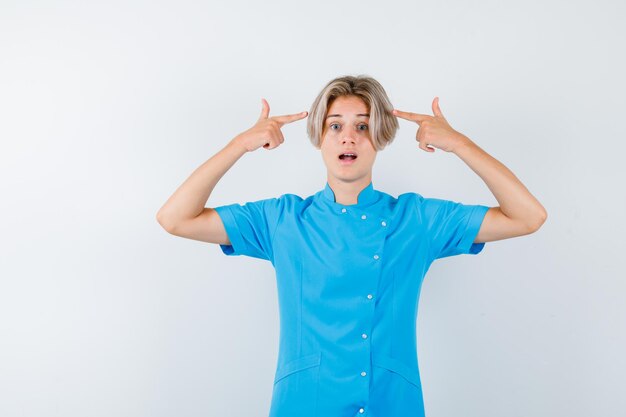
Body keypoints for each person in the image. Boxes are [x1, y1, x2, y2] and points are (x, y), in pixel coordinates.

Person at [156, 74, 547, 417]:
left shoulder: (418, 220)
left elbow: (528, 216)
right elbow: (175, 218)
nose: (348, 137)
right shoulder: (282, 220)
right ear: (319, 138)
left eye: (363, 126)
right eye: (335, 126)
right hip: (304, 405)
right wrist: (239, 145)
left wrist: (459, 144)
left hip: (391, 405)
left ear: (380, 137)